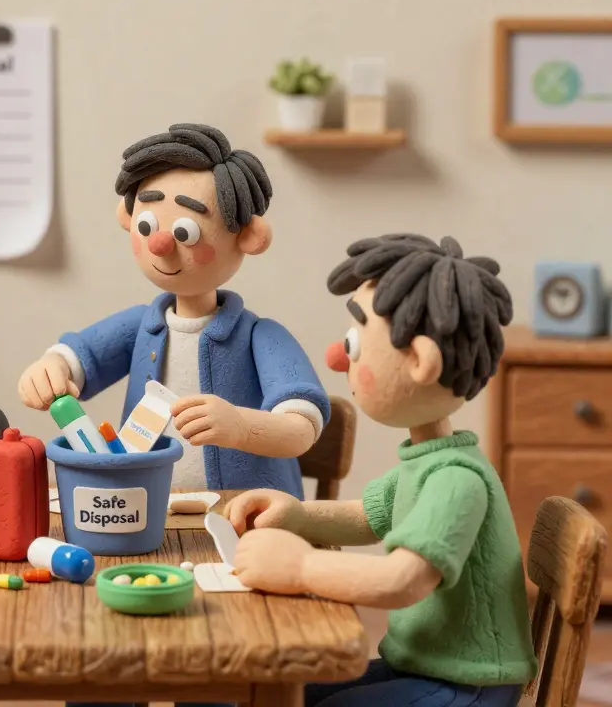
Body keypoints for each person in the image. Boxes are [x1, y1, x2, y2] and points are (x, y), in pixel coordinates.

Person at [227, 235, 536, 706]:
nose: (337, 357)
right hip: (422, 663)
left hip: (468, 683)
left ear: (419, 362)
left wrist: (300, 566)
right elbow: (366, 516)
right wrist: (294, 514)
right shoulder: (431, 461)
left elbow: (402, 581)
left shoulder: (457, 480)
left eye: (355, 344)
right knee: (285, 692)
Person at [18, 123, 328, 496]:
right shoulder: (141, 325)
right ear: (128, 218)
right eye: (148, 225)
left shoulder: (262, 337)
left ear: (248, 236)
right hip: (147, 512)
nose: (162, 244)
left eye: (185, 232)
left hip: (245, 519)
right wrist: (51, 369)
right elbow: (77, 359)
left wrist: (241, 427)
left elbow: (301, 430)